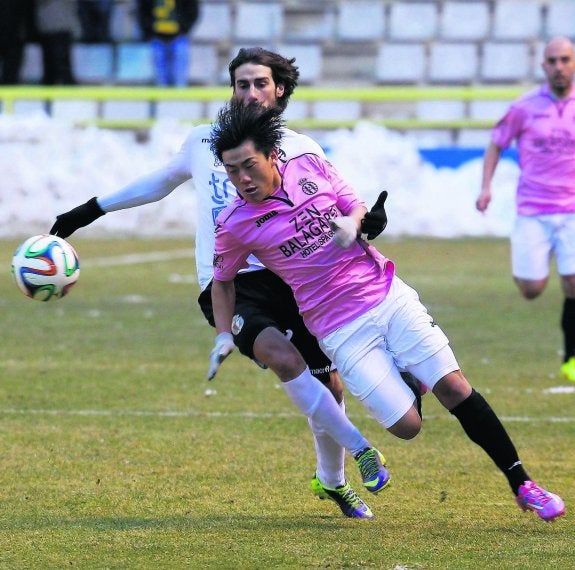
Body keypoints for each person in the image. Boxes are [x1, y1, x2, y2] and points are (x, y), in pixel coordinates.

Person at [49, 47, 393, 519]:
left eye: (259, 84)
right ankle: (360, 448)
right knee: (280, 357)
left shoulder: (298, 148)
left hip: (291, 277)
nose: (249, 93)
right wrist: (88, 211)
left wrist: (366, 223)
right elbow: (158, 182)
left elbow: (333, 209)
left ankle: (330, 480)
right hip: (227, 282)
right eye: (240, 84)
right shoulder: (204, 141)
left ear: (280, 91)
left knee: (328, 383)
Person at [208, 100, 566, 523]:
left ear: (271, 155)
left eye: (248, 165)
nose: (242, 179)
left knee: (453, 387)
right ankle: (412, 377)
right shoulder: (234, 223)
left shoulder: (309, 166)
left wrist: (354, 222)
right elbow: (223, 279)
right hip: (338, 329)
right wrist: (224, 335)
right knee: (407, 427)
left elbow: (356, 206)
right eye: (232, 171)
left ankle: (523, 483)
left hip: (386, 295)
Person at [476, 36, 575, 383]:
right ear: (543, 66)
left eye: (565, 59)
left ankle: (572, 356)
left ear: (573, 62)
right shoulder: (524, 107)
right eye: (553, 61)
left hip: (573, 210)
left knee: (574, 282)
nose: (559, 67)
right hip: (533, 209)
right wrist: (486, 186)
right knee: (531, 289)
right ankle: (532, 266)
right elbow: (496, 144)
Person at [136, 0, 199, 87]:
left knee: (179, 75)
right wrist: (149, 30)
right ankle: (162, 96)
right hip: (156, 38)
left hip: (179, 37)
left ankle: (179, 97)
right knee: (159, 77)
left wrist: (183, 28)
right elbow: (142, 11)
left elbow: (193, 10)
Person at [34, 0, 78, 85]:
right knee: (51, 65)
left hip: (61, 26)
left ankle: (66, 87)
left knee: (62, 64)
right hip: (49, 27)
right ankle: (51, 89)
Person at [0, 0, 33, 84]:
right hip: (15, 36)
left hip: (15, 37)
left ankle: (8, 95)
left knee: (11, 74)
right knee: (11, 74)